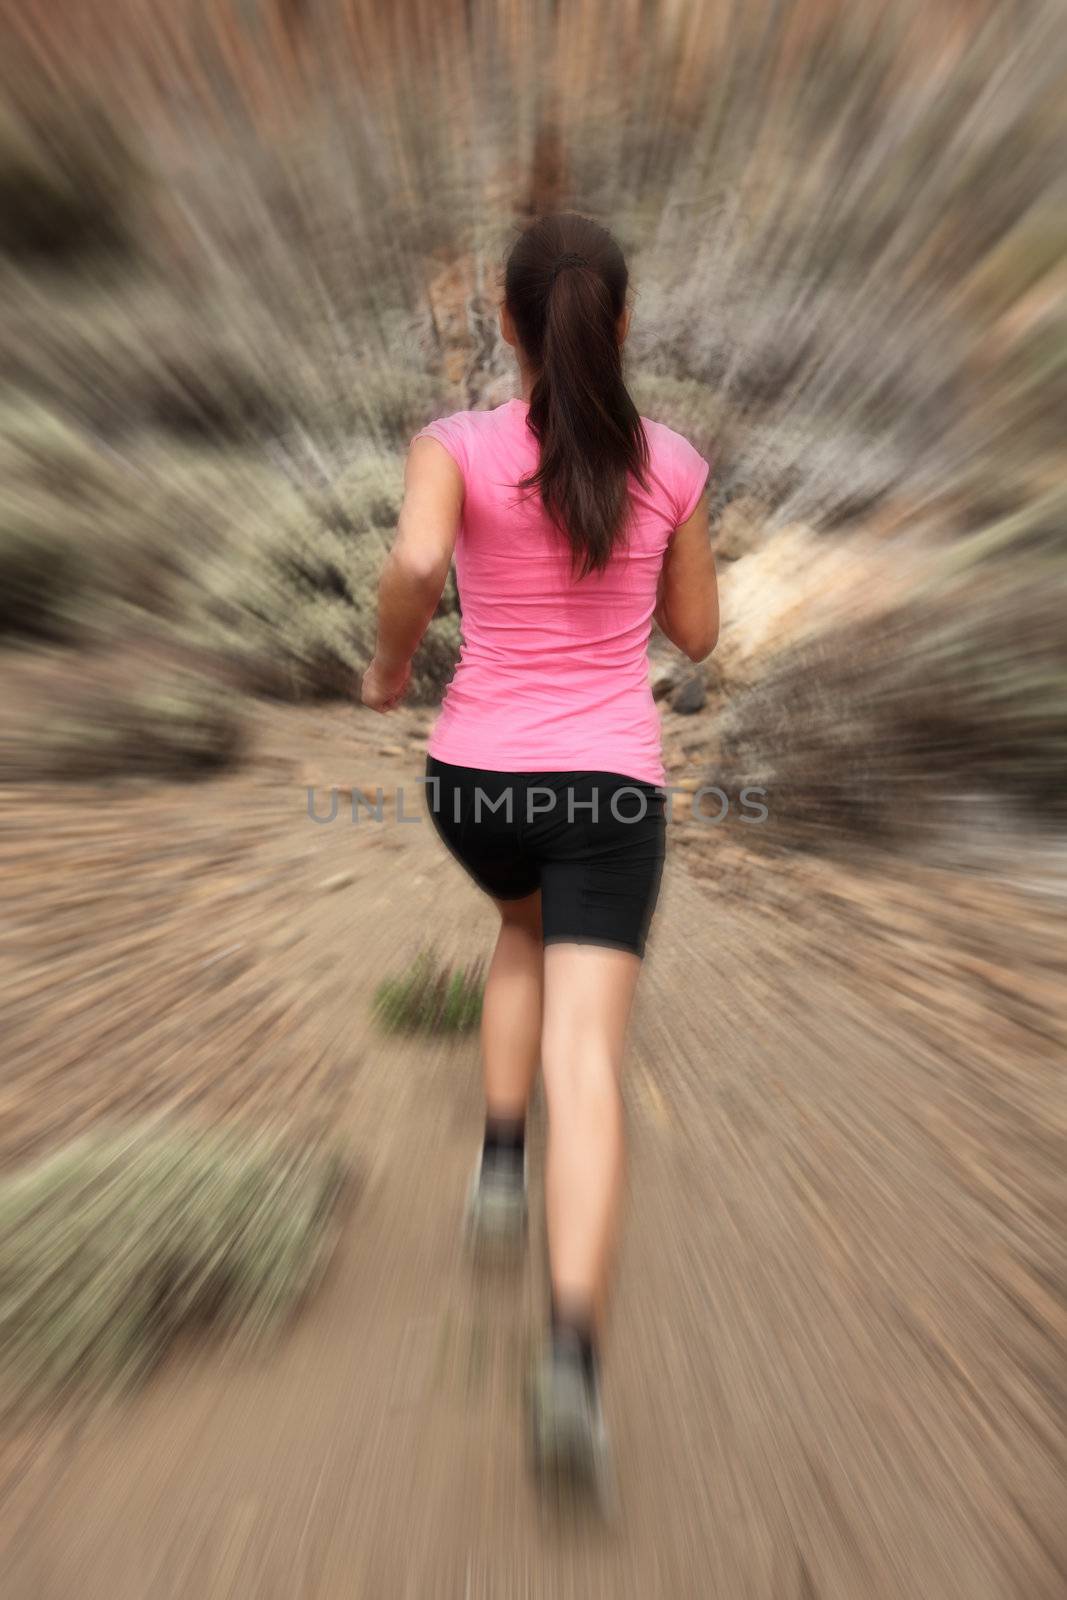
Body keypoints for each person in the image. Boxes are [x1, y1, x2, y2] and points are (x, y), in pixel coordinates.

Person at [361, 212, 718, 1499]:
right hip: (610, 788)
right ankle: (570, 1359)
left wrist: (392, 662)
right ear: (618, 324)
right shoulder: (671, 460)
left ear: (508, 324)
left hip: (474, 780)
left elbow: (411, 562)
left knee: (514, 934)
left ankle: (497, 1169)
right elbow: (694, 637)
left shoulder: (449, 447)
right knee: (592, 1052)